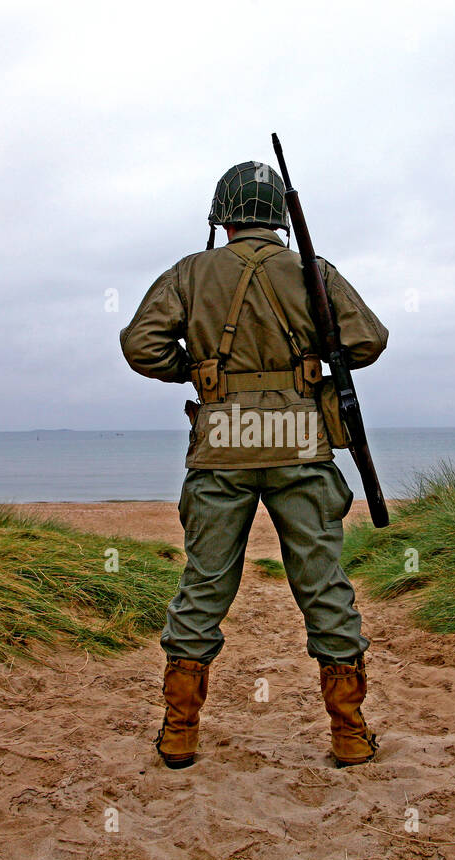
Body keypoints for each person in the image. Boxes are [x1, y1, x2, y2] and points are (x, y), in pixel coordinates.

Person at [119, 160, 389, 769]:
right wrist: (316, 356)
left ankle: (180, 733)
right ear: (278, 219)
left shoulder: (190, 271)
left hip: (221, 444)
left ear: (223, 216)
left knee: (204, 584)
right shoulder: (311, 270)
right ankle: (348, 733)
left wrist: (196, 369)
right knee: (323, 586)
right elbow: (368, 338)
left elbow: (142, 346)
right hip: (300, 442)